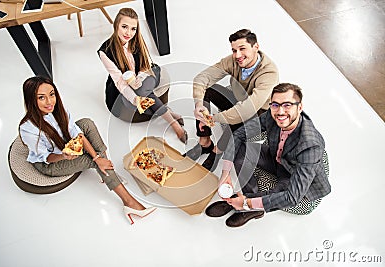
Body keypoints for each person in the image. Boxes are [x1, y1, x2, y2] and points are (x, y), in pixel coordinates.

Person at [19, 76, 156, 225]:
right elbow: (46, 157)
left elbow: (77, 133)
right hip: (50, 163)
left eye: (52, 95)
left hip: (64, 146)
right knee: (90, 160)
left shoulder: (59, 110)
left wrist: (98, 157)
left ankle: (106, 172)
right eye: (41, 98)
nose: (49, 102)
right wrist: (64, 156)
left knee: (86, 123)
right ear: (31, 100)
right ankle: (129, 202)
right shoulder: (27, 128)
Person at [205, 83, 331, 227]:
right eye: (275, 105)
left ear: (300, 107)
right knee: (241, 150)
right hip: (276, 158)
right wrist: (225, 173)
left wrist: (248, 202)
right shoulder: (273, 115)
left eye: (287, 105)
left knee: (279, 195)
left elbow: (292, 197)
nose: (280, 111)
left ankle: (248, 206)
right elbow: (239, 135)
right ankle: (246, 198)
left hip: (293, 176)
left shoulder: (310, 145)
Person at [184, 29, 279, 170]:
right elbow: (202, 78)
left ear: (256, 47)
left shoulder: (269, 72)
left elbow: (247, 109)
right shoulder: (233, 60)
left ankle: (217, 151)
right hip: (238, 98)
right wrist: (199, 104)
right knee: (208, 91)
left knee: (238, 120)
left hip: (258, 112)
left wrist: (213, 118)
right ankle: (205, 143)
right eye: (234, 50)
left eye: (242, 49)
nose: (238, 55)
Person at [97, 7, 187, 143]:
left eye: (133, 28)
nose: (129, 33)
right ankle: (171, 115)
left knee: (141, 89)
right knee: (139, 98)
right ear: (116, 25)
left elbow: (146, 66)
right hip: (125, 84)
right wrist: (135, 99)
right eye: (124, 27)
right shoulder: (105, 51)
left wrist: (139, 78)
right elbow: (119, 81)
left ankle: (174, 125)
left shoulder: (135, 39)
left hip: (148, 74)